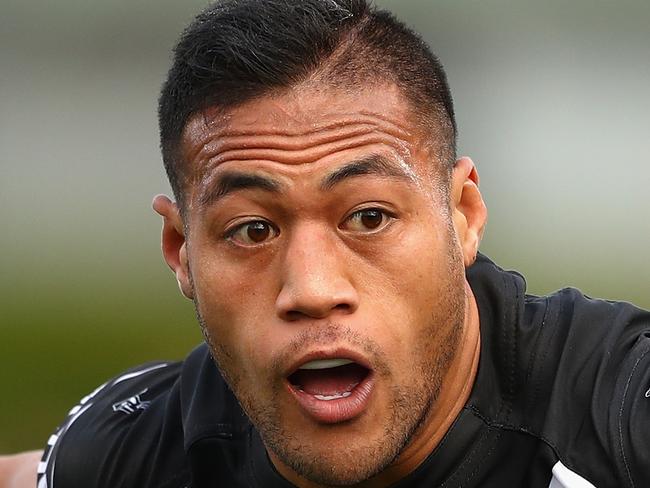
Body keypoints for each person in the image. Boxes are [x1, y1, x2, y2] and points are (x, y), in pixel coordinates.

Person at [3, 0, 649, 487]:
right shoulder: (144, 451)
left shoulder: (616, 417)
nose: (312, 289)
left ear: (463, 216)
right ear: (181, 251)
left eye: (367, 217)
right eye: (253, 230)